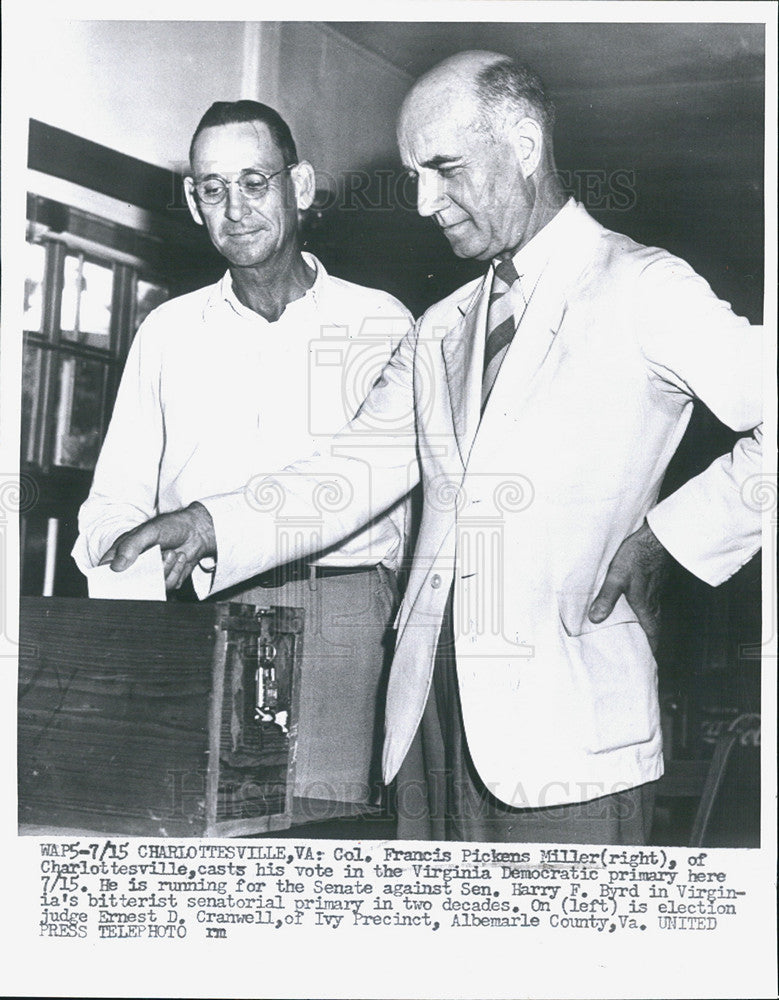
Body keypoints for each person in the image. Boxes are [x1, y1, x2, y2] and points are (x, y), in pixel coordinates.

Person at [104, 55, 762, 844]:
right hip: (426, 728)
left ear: (522, 143)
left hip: (566, 730)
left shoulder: (641, 286)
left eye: (443, 170)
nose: (422, 202)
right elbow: (354, 473)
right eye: (414, 174)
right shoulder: (443, 326)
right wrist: (209, 524)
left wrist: (670, 537)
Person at [73, 100, 413, 812]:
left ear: (303, 186)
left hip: (340, 613)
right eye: (212, 188)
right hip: (199, 610)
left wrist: (206, 525)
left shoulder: (381, 322)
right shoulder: (167, 332)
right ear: (195, 203)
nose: (234, 209)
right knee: (194, 819)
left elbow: (372, 486)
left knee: (319, 827)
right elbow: (114, 499)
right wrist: (125, 565)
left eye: (254, 182)